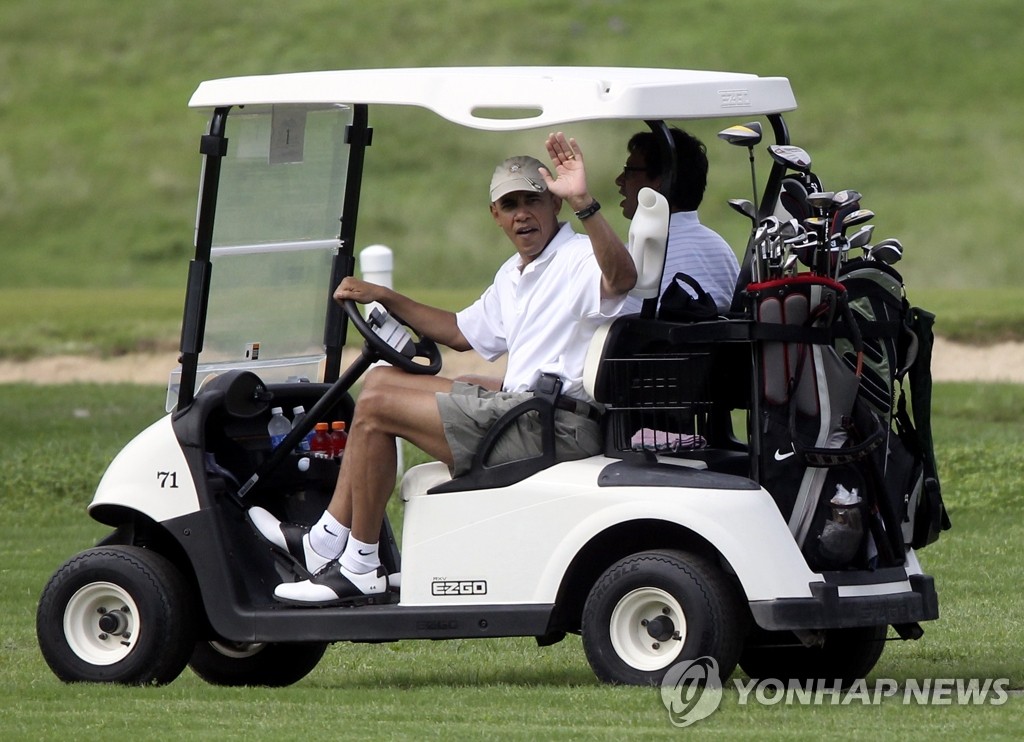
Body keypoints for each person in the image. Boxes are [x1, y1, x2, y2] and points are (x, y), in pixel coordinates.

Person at [248, 132, 637, 606]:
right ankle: (326, 541)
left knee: (377, 406)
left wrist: (585, 203)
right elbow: (459, 332)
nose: (521, 214)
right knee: (381, 381)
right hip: (527, 414)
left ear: (554, 204)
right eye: (509, 204)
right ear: (495, 215)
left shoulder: (578, 259)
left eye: (532, 200)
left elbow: (622, 279)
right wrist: (385, 296)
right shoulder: (516, 273)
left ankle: (359, 565)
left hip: (553, 428)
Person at [617, 128, 739, 314]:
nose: (619, 180)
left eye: (629, 171)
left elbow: (612, 324)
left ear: (661, 182)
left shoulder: (636, 256)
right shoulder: (721, 249)